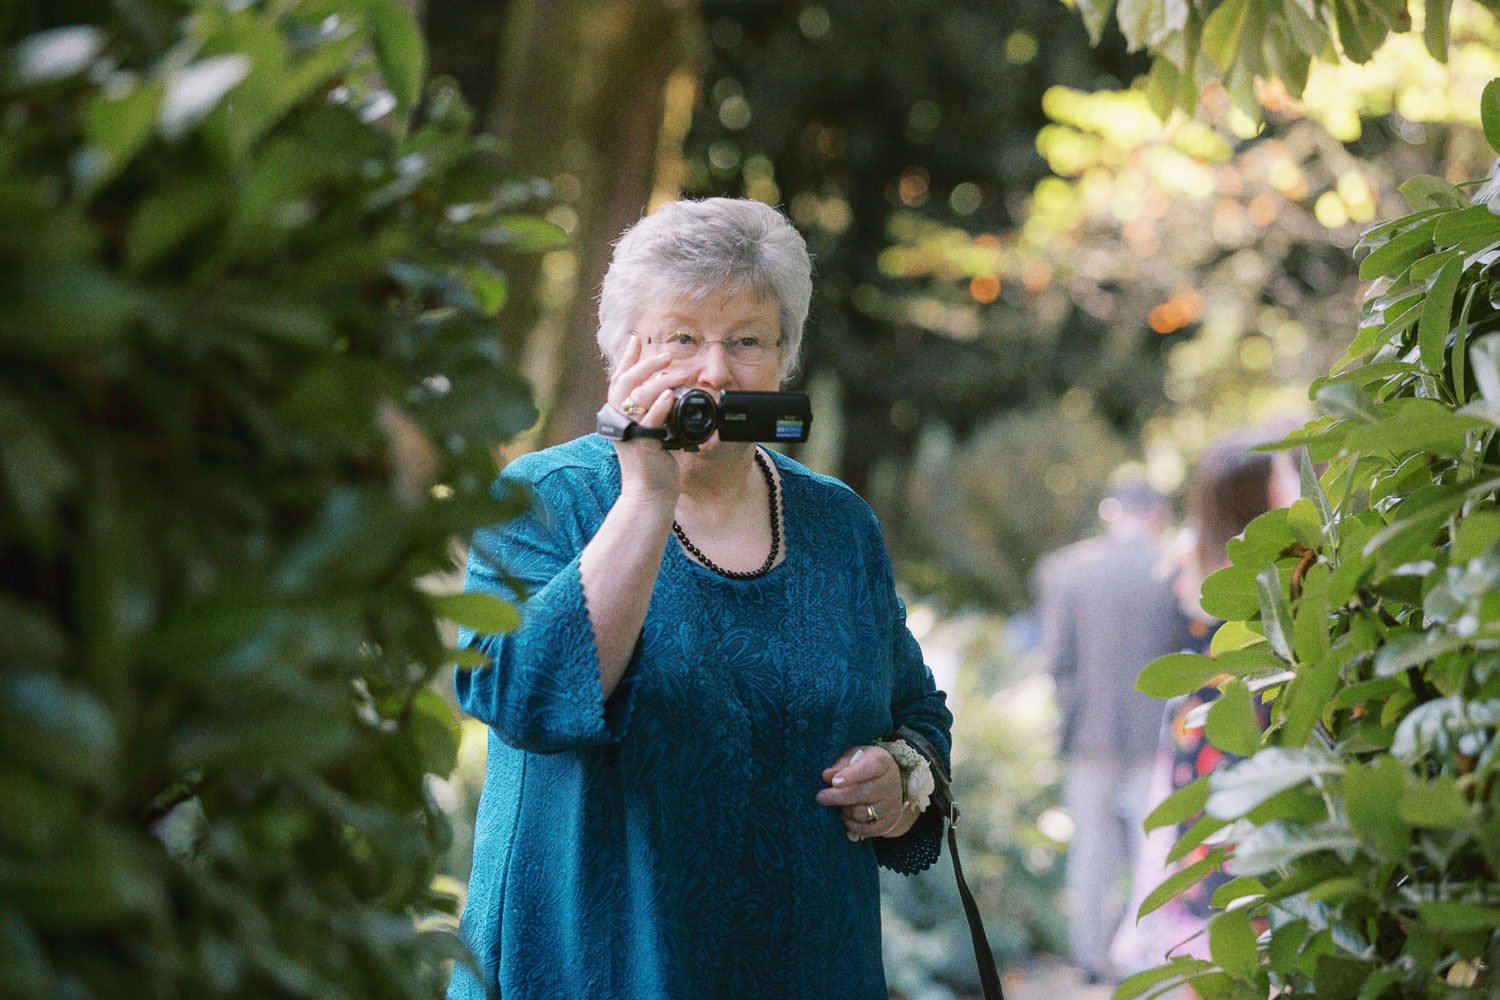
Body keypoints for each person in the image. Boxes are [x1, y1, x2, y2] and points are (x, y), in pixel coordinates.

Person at [447, 197, 953, 1000]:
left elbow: (917, 709)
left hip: (807, 969)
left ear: (782, 359)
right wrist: (646, 496)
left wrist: (902, 775)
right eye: (681, 338)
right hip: (596, 966)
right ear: (625, 352)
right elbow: (521, 695)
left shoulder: (837, 524)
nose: (714, 372)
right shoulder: (544, 498)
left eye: (746, 340)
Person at [1108, 429, 1291, 982]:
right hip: (1248, 726)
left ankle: (1218, 974)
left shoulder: (1186, 567)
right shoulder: (1277, 571)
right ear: (1258, 494)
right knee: (1249, 857)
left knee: (1211, 864)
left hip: (1201, 732)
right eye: (1281, 472)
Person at [1035, 479, 1192, 986]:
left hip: (1089, 732)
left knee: (1092, 848)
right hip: (1159, 731)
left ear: (1110, 512)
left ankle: (1089, 957)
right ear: (1158, 514)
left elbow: (1057, 662)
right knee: (1158, 843)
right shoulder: (1175, 569)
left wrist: (1074, 711)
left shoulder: (1066, 570)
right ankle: (1145, 950)